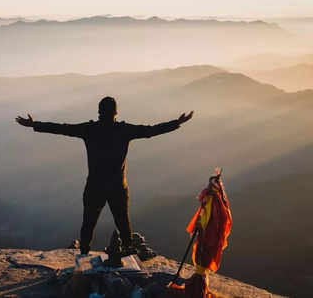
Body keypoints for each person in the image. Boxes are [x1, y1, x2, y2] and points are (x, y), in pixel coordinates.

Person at [16, 96, 193, 255]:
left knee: (88, 224)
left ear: (99, 112)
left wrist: (34, 124)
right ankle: (128, 254)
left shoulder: (89, 129)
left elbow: (62, 128)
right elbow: (151, 131)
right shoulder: (124, 130)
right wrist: (177, 122)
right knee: (123, 224)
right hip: (118, 187)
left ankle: (84, 254)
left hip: (94, 186)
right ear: (116, 112)